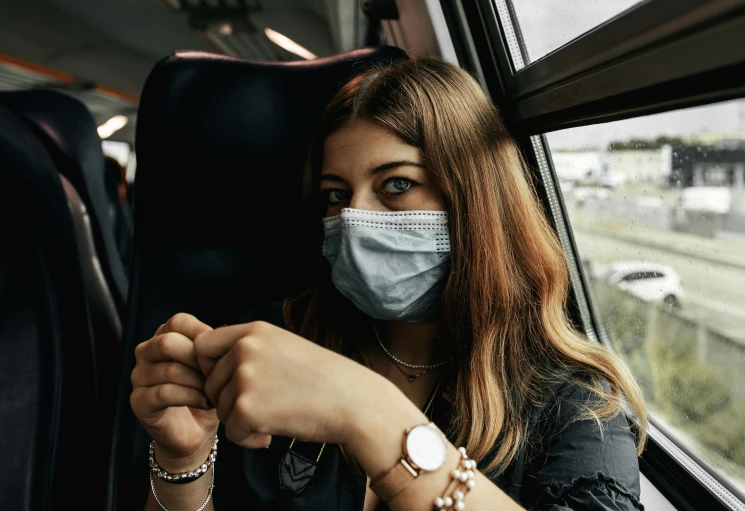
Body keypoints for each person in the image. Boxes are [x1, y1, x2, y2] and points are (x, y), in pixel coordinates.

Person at [130, 57, 648, 511]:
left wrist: (368, 412)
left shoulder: (574, 405)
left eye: (397, 185)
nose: (354, 220)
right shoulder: (273, 345)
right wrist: (184, 459)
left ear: (476, 202)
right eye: (336, 195)